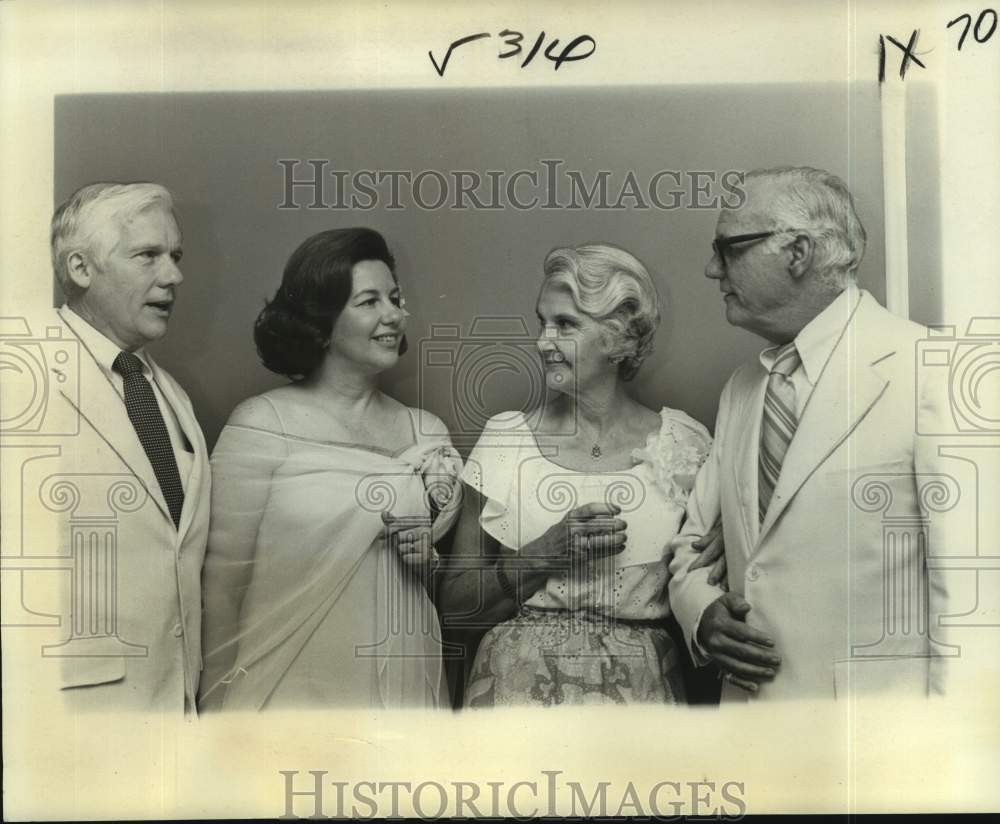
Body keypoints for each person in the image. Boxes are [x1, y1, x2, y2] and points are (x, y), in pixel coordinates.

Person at [668, 166, 959, 701]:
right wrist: (700, 612)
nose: (713, 269)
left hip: (873, 749)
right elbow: (693, 541)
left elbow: (967, 596)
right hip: (751, 735)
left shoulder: (931, 371)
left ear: (797, 252)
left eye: (728, 247)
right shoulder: (743, 387)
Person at [199, 227, 462, 711]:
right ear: (323, 320)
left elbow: (442, 587)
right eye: (368, 302)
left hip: (398, 688)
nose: (394, 315)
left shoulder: (427, 434)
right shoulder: (263, 423)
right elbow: (222, 583)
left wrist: (427, 561)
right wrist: (215, 709)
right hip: (287, 688)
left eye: (395, 298)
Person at [439, 243, 712, 706]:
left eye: (565, 324)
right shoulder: (506, 439)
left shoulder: (686, 442)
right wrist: (542, 556)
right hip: (514, 692)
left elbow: (708, 589)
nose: (543, 342)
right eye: (542, 322)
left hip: (641, 698)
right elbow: (453, 609)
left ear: (622, 337)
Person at [46, 182, 210, 712]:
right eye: (148, 256)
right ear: (80, 269)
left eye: (176, 255)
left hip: (175, 713)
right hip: (71, 719)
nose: (174, 276)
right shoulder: (20, 384)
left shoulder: (171, 395)